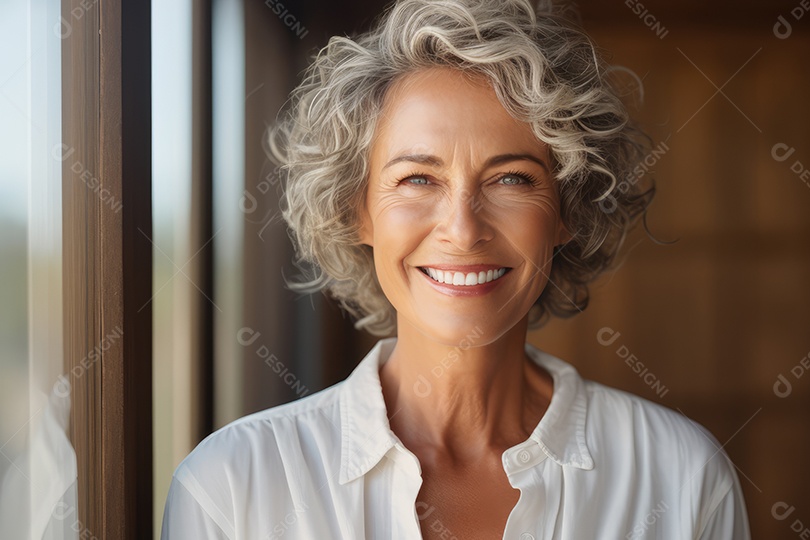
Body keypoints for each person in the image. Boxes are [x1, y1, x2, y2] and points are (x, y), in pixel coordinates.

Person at [162, 0, 751, 538]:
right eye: (418, 179)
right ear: (356, 211)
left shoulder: (683, 477)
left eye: (511, 178)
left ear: (568, 209)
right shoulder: (231, 488)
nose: (463, 229)